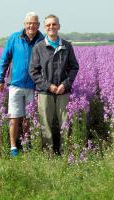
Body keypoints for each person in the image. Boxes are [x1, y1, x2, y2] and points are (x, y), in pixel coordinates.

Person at [29, 14, 79, 155]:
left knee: (65, 123)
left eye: (54, 24)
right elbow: (33, 71)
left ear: (59, 26)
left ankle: (65, 153)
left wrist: (65, 84)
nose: (51, 27)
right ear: (45, 27)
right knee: (45, 124)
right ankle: (48, 154)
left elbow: (74, 67)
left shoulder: (67, 46)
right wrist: (48, 86)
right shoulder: (39, 47)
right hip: (45, 92)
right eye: (48, 25)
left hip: (63, 91)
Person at [0, 12, 44, 157]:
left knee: (29, 117)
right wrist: (0, 79)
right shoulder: (14, 38)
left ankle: (27, 143)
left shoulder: (42, 39)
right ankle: (13, 147)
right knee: (14, 117)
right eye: (29, 23)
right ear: (24, 24)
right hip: (15, 84)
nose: (31, 26)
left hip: (33, 85)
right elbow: (5, 58)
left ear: (38, 25)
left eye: (34, 23)